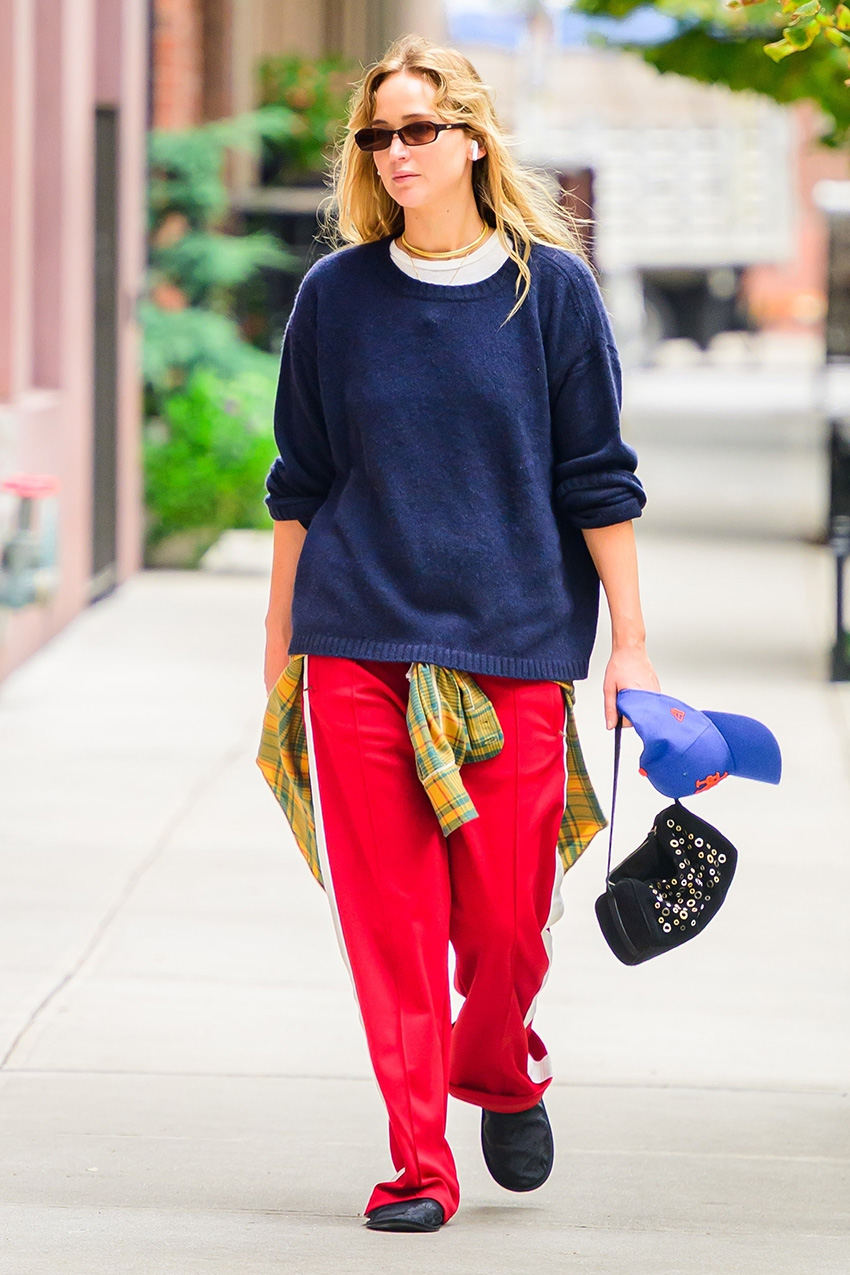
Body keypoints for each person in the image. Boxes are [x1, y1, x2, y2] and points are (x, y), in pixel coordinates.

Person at [260, 32, 660, 1234]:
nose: (394, 153)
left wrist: (629, 645)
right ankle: (417, 1166)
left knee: (499, 921)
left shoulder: (551, 292)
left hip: (514, 645)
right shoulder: (336, 298)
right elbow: (302, 483)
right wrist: (281, 656)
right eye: (376, 135)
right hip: (358, 644)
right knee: (390, 928)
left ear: (473, 138)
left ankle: (498, 1064)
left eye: (417, 129)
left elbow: (598, 478)